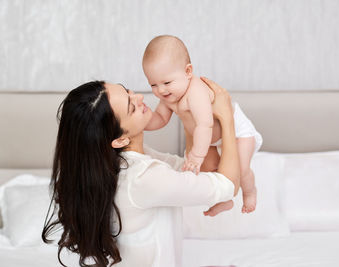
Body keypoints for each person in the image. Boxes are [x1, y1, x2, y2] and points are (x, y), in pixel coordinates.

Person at [42, 77, 240, 267]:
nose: (140, 98)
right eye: (131, 106)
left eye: (128, 91)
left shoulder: (121, 163)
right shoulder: (144, 177)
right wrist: (226, 117)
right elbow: (228, 185)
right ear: (120, 140)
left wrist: (190, 116)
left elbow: (196, 170)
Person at [142, 35, 262, 215]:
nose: (161, 90)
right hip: (210, 139)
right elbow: (160, 118)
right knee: (209, 171)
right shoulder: (169, 97)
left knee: (241, 169)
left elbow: (205, 124)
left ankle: (250, 192)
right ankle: (226, 201)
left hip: (237, 132)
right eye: (153, 84)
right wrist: (140, 123)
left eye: (166, 82)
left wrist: (196, 156)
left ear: (188, 71)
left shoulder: (195, 92)